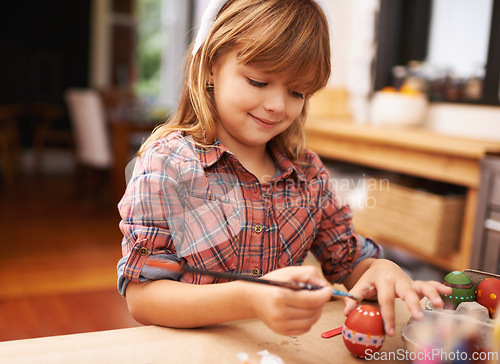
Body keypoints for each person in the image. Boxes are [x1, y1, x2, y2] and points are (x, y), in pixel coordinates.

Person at [117, 0, 451, 337]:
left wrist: (378, 268)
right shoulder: (167, 165)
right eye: (258, 82)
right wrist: (249, 298)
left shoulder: (308, 175)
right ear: (210, 67)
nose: (277, 106)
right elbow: (143, 298)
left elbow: (347, 260)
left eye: (296, 92)